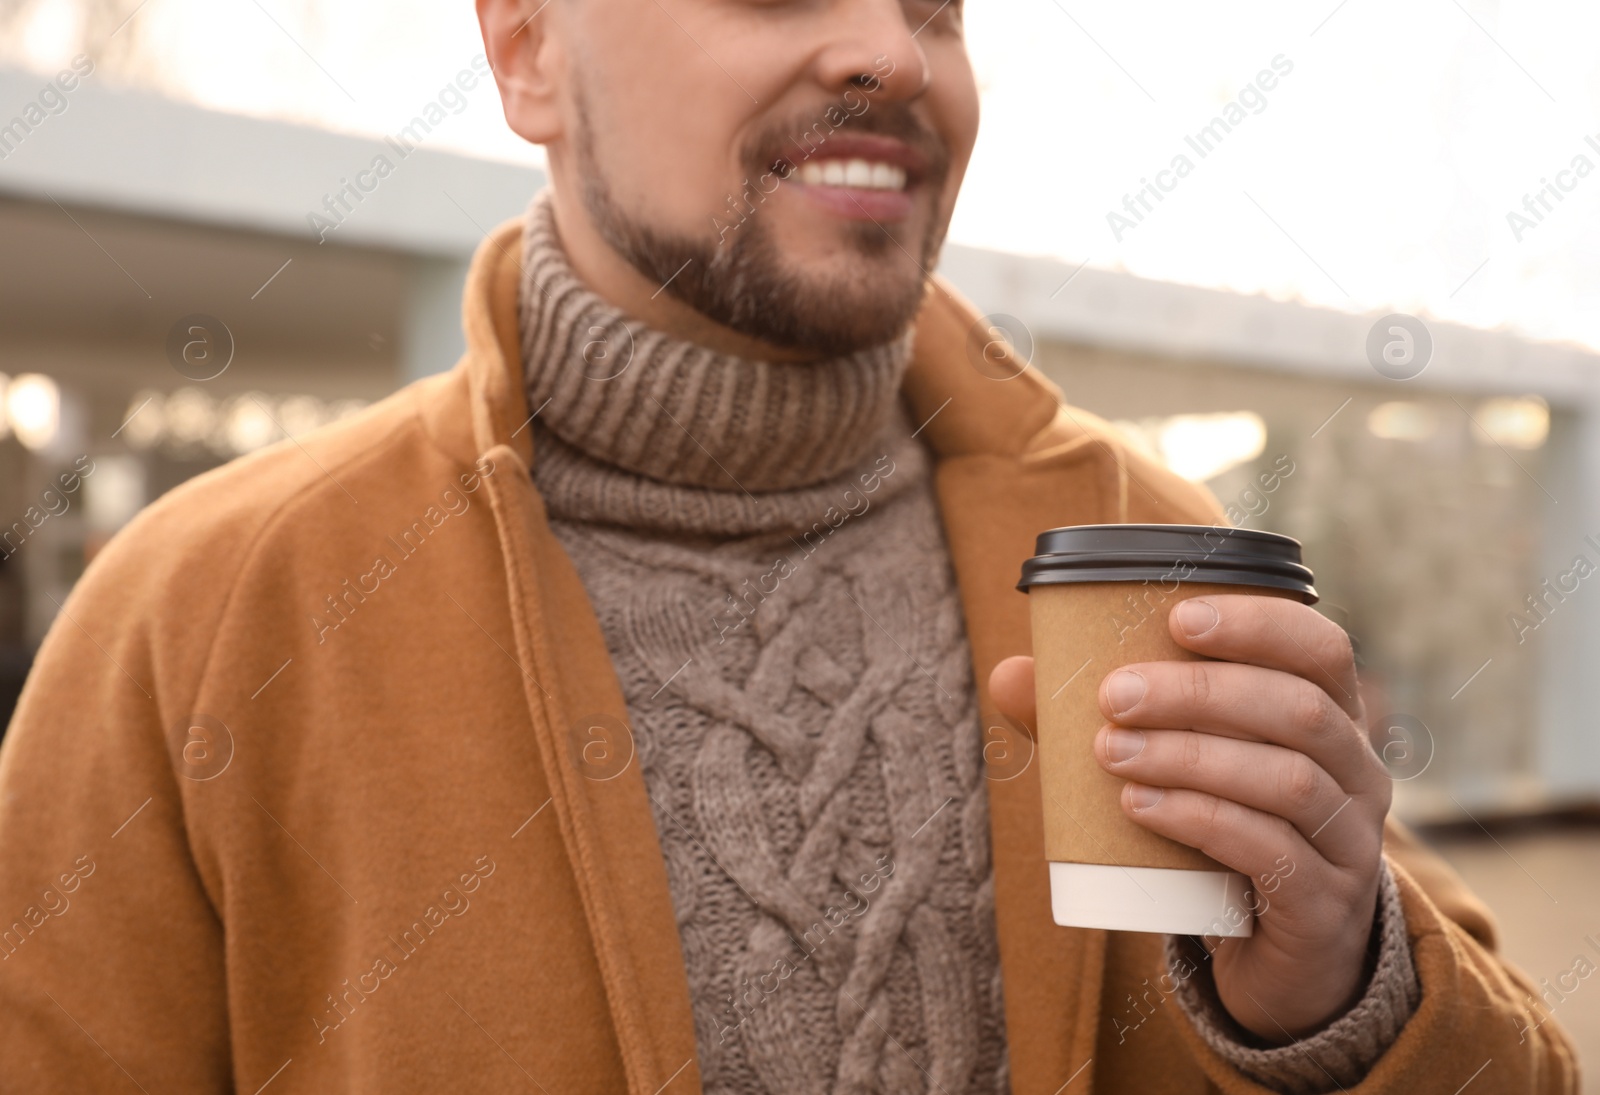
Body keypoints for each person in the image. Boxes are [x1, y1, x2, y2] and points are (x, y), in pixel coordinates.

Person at [0, 1, 1577, 1091]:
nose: (894, 53)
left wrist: (1339, 990)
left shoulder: (1152, 552)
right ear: (528, 48)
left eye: (942, 3)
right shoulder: (205, 614)